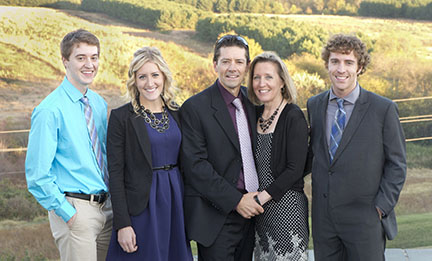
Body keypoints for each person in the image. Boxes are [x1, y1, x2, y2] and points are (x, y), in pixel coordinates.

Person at [307, 34, 407, 260]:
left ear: (360, 67)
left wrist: (380, 208)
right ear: (327, 64)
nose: (341, 69)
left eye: (348, 62)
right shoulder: (314, 105)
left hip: (366, 220)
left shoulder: (383, 109)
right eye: (335, 61)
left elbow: (397, 164)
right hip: (325, 222)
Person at [25, 29, 112, 261]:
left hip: (107, 208)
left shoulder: (99, 104)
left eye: (94, 57)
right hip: (75, 209)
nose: (89, 64)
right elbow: (37, 175)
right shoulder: (49, 110)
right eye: (81, 57)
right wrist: (67, 213)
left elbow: (104, 154)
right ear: (65, 61)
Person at [180, 34, 264, 260]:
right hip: (217, 215)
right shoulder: (195, 108)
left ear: (247, 66)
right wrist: (237, 201)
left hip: (254, 214)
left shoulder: (255, 103)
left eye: (239, 62)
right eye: (226, 61)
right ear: (215, 65)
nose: (232, 68)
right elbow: (195, 166)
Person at [105, 46, 192, 260]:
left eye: (155, 75)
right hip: (141, 205)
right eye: (142, 76)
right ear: (134, 80)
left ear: (164, 76)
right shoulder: (121, 118)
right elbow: (115, 174)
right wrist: (123, 224)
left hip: (175, 200)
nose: (149, 83)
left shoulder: (178, 113)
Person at [248, 52, 309, 260]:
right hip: (259, 215)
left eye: (268, 77)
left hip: (286, 209)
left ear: (282, 81)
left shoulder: (293, 116)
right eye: (256, 77)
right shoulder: (254, 115)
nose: (261, 83)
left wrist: (261, 197)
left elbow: (295, 169)